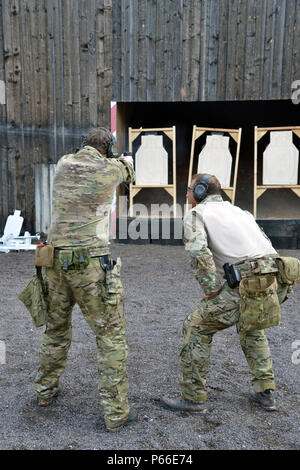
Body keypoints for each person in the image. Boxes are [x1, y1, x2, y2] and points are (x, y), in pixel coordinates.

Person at [161, 173, 296, 414]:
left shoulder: (196, 214)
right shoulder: (240, 211)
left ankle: (192, 398)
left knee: (196, 327)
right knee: (252, 326)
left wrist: (211, 290)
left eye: (190, 189)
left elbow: (198, 253)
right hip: (277, 279)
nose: (187, 194)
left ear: (200, 192)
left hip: (247, 281)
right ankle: (264, 392)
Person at [34, 127, 136, 432]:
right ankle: (116, 413)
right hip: (90, 264)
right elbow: (129, 175)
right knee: (110, 337)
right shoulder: (110, 168)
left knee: (56, 329)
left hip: (55, 260)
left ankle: (44, 392)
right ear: (109, 150)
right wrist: (122, 159)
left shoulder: (64, 164)